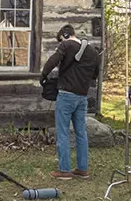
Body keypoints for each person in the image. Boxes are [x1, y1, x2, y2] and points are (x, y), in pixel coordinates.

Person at [40, 24, 100, 180]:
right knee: (81, 133)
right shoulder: (93, 52)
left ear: (65, 35)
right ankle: (82, 169)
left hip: (66, 95)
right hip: (82, 97)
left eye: (61, 40)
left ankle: (65, 170)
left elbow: (52, 62)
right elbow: (94, 75)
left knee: (63, 132)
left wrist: (43, 76)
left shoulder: (66, 44)